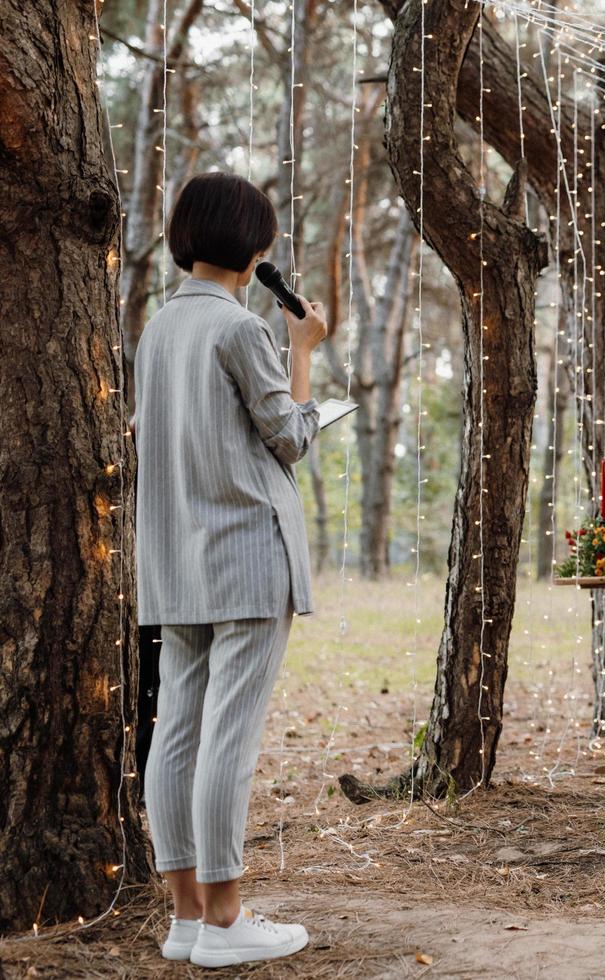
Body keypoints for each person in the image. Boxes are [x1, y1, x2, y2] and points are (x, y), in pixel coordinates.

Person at [134, 172, 330, 967]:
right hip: (246, 555)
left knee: (175, 732)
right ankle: (225, 921)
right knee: (228, 740)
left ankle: (186, 918)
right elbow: (290, 437)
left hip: (174, 558)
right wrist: (303, 352)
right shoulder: (241, 329)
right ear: (251, 249)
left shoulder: (156, 329)